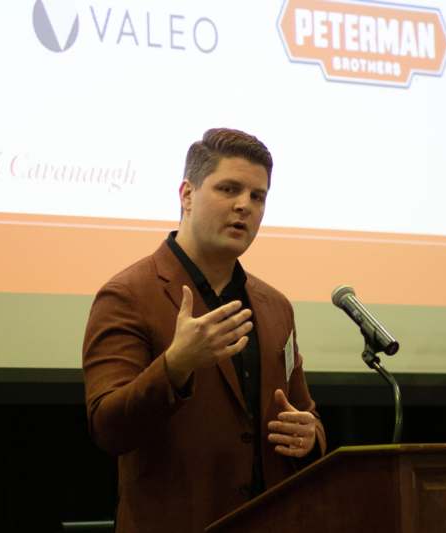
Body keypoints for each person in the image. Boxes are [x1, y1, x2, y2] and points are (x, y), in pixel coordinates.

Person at [82, 128, 326, 532]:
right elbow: (108, 428)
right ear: (187, 195)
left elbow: (305, 413)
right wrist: (176, 365)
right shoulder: (128, 294)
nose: (244, 205)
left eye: (258, 196)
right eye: (228, 189)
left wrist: (310, 436)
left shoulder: (276, 306)